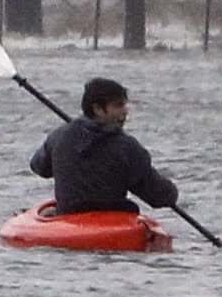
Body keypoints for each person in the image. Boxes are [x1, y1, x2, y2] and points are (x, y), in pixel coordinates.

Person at [28, 77, 181, 216]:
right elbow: (158, 196)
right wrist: (172, 192)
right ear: (98, 109)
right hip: (114, 224)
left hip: (69, 219)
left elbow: (40, 167)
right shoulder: (127, 147)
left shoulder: (58, 136)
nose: (125, 111)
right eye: (118, 105)